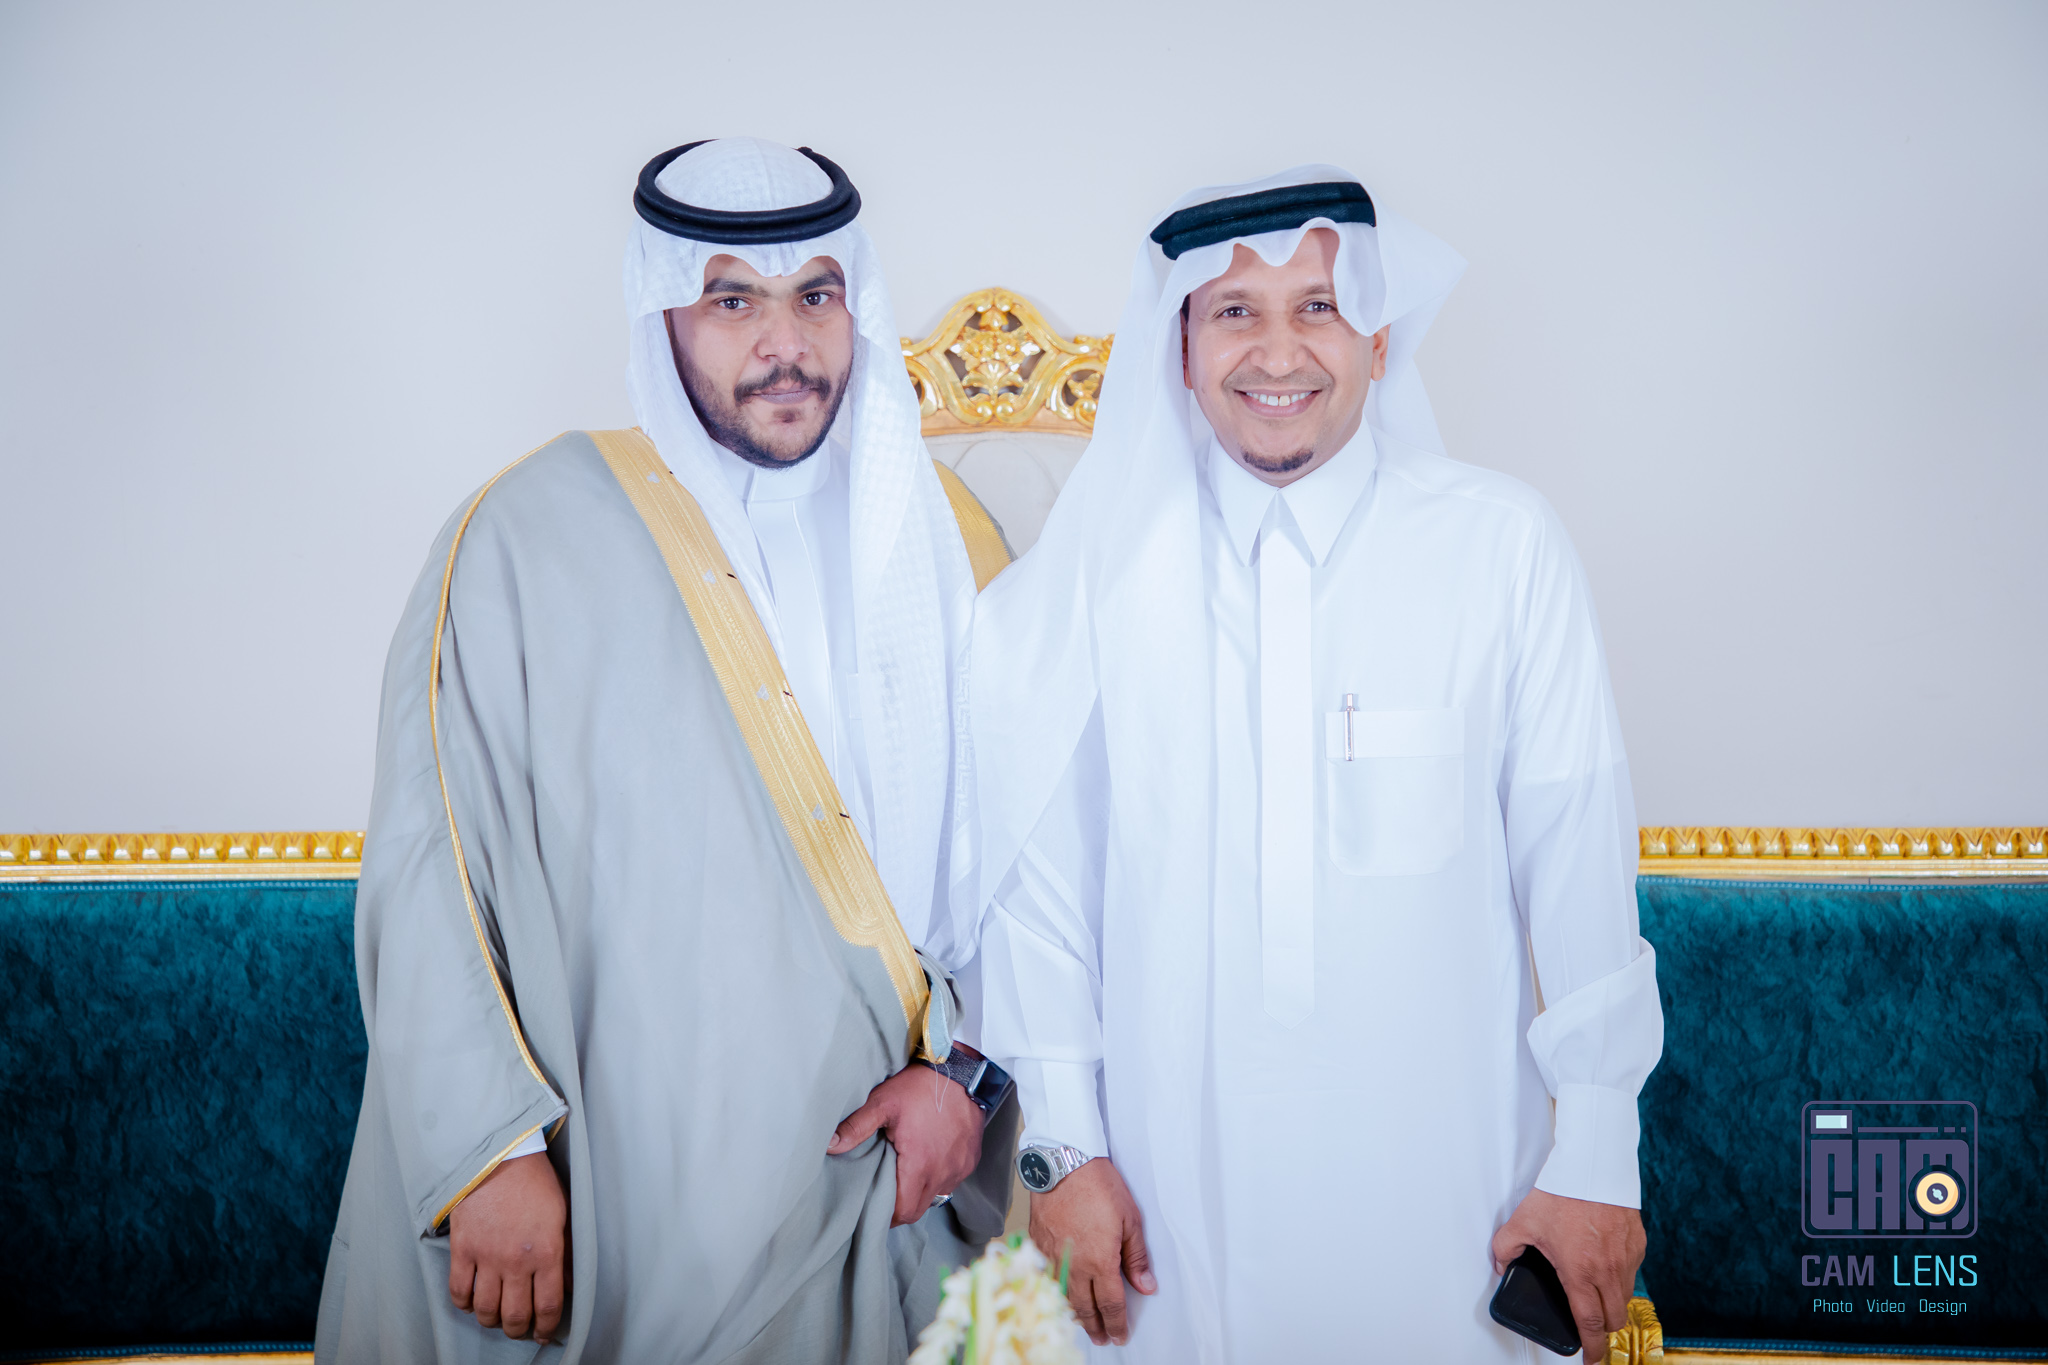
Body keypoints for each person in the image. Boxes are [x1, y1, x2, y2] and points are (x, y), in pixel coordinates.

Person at [317, 137, 1018, 1363]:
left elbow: (1027, 860)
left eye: (815, 295)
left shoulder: (947, 539)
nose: (784, 343)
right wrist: (485, 1152)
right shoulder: (524, 536)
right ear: (663, 316)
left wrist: (964, 1078)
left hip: (872, 1180)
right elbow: (433, 859)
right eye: (732, 301)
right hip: (612, 1183)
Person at [970, 165, 1664, 1361]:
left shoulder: (1498, 548)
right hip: (1158, 1217)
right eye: (1233, 311)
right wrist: (1060, 1152)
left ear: (1380, 342)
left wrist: (1597, 1156)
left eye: (1319, 308)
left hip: (1448, 1206)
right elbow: (1041, 895)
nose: (1276, 351)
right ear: (1180, 347)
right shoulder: (1086, 583)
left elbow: (1578, 873)